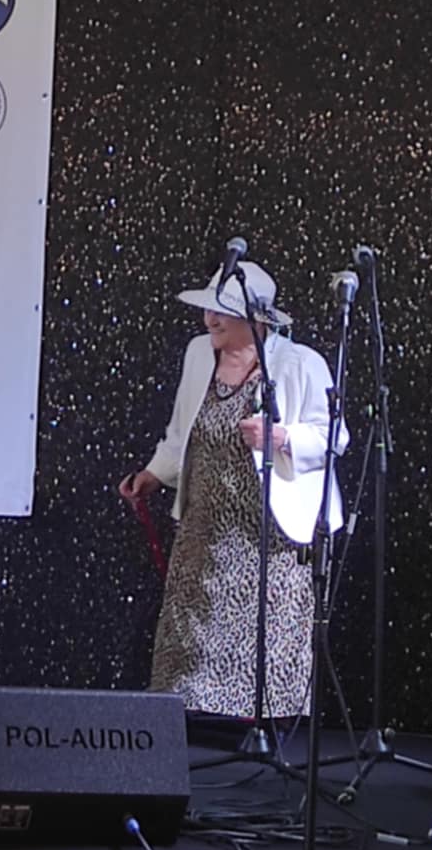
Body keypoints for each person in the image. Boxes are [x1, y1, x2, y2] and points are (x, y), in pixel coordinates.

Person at [117, 261, 343, 718]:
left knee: (262, 633)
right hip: (205, 525)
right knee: (192, 634)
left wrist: (282, 438)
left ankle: (260, 723)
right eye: (209, 310)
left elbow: (334, 438)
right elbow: (182, 431)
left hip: (269, 533)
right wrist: (154, 474)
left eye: (223, 312)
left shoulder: (301, 364)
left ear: (257, 319)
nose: (211, 320)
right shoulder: (199, 354)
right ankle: (190, 720)